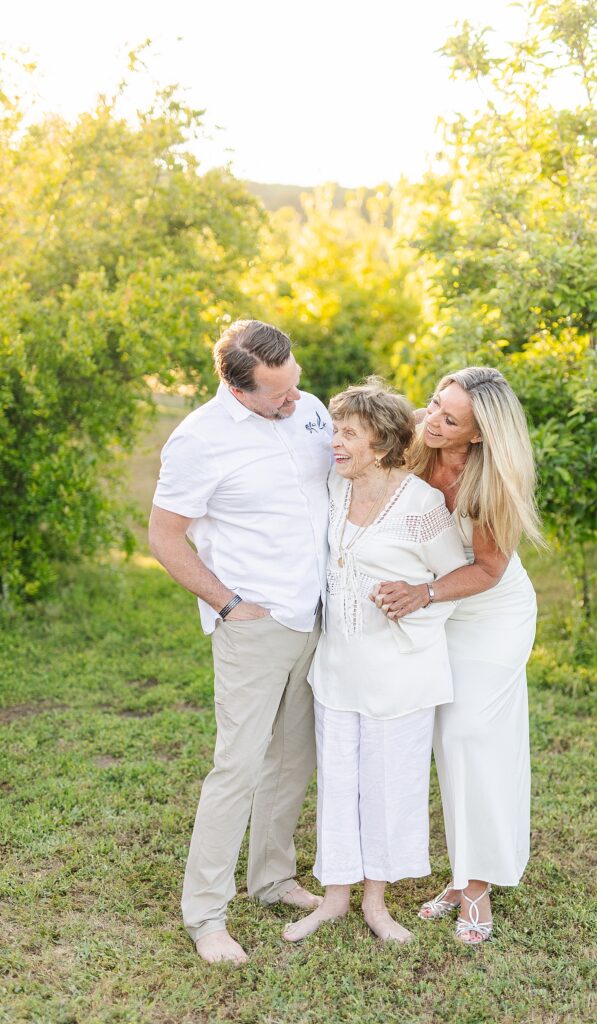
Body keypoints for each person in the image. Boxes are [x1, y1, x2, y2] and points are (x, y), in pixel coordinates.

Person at [148, 319, 332, 964]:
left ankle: (273, 877)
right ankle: (206, 914)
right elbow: (164, 538)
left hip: (318, 617)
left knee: (293, 757)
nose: (293, 402)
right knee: (238, 767)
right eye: (276, 395)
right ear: (235, 386)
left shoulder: (309, 410)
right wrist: (230, 604)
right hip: (255, 626)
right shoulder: (198, 440)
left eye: (294, 387)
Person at [283, 379, 467, 945]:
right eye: (336, 431)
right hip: (337, 669)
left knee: (390, 786)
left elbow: (454, 581)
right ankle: (334, 898)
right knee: (338, 783)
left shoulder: (421, 507)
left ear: (383, 444)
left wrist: (413, 601)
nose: (335, 443)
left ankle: (376, 904)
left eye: (349, 434)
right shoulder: (335, 491)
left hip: (399, 674)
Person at [373, 367, 541, 945]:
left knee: (471, 733)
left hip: (489, 614)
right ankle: (462, 868)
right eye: (434, 404)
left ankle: (476, 886)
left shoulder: (491, 480)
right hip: (439, 607)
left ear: (480, 435)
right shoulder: (424, 437)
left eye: (450, 418)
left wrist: (422, 594)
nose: (433, 420)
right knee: (444, 737)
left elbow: (489, 570)